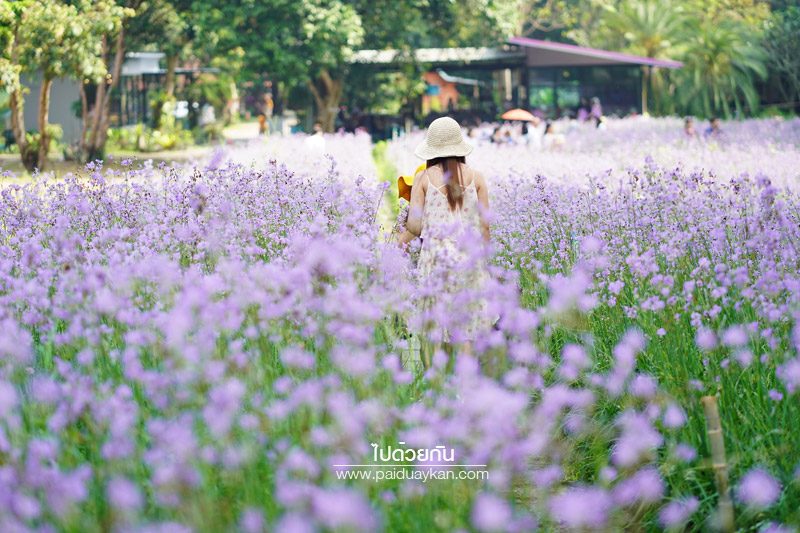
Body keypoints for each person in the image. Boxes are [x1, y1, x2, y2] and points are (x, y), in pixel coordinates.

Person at [397, 117, 491, 364]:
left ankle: (437, 388)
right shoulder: (478, 178)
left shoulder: (424, 179)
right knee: (466, 329)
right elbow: (485, 228)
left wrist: (403, 231)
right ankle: (465, 388)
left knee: (436, 328)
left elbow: (415, 226)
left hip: (436, 261)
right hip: (470, 261)